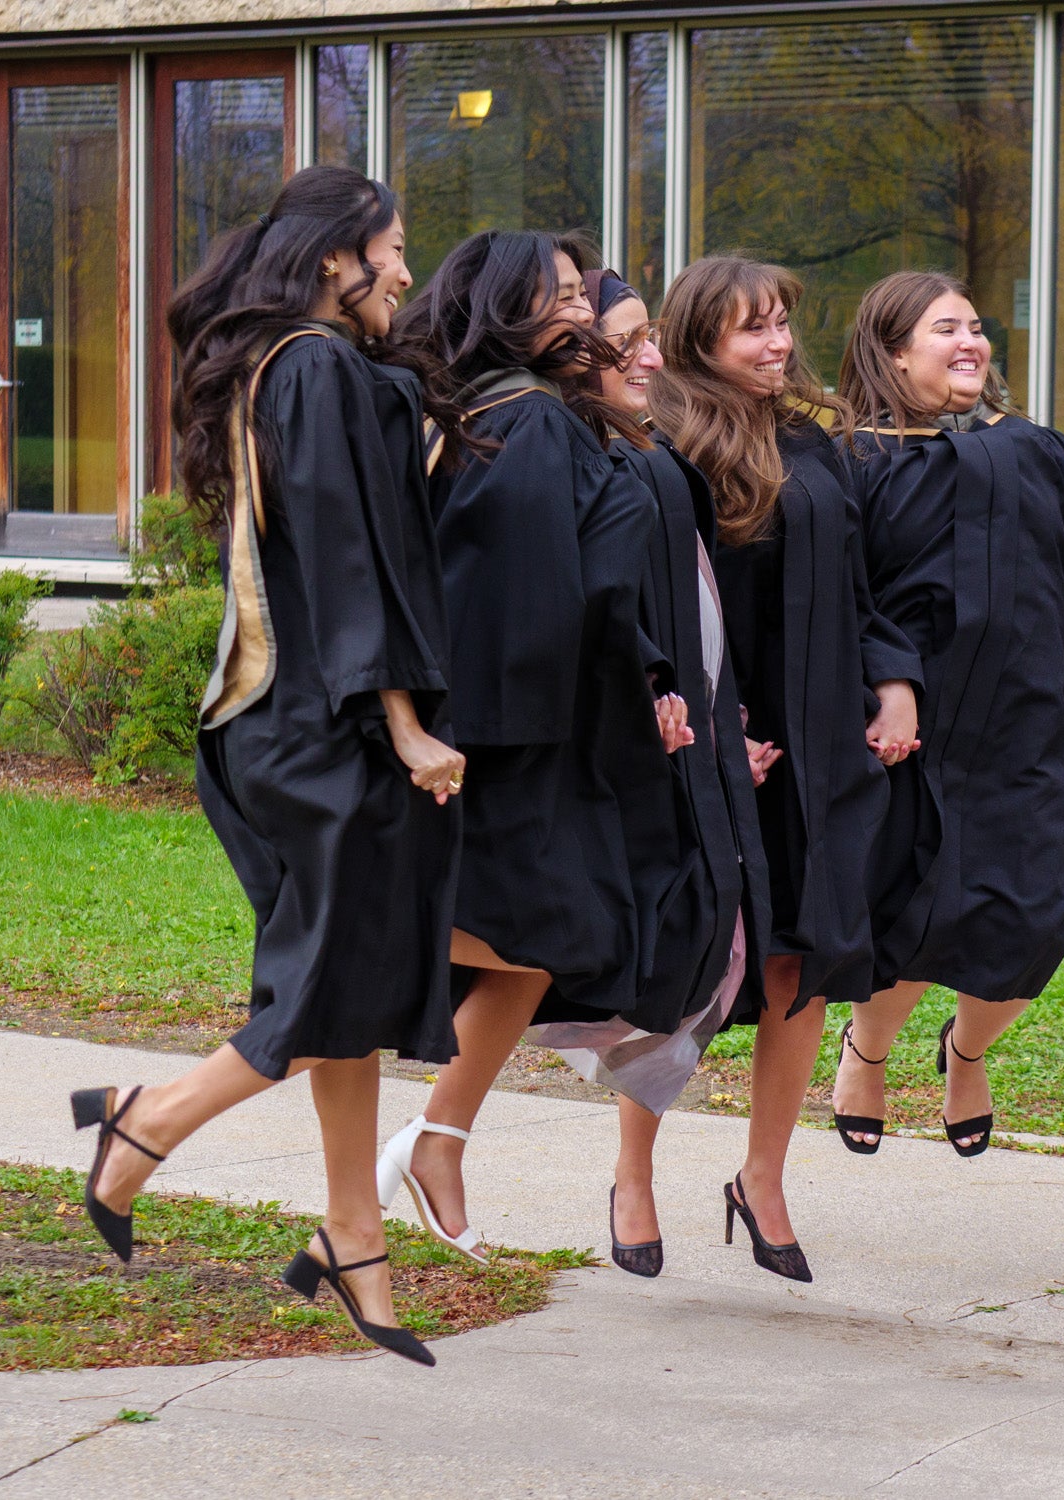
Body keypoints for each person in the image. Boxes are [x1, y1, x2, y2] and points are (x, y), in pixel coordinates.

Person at [68, 165, 463, 1367]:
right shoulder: (315, 367)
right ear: (337, 256)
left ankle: (352, 1235)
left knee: (351, 985)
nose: (405, 267)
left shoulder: (293, 364)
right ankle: (146, 1122)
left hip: (283, 711)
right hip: (319, 720)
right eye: (392, 248)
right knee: (333, 975)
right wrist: (400, 723)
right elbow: (353, 561)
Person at [373, 230, 682, 1264]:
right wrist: (617, 699)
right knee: (499, 938)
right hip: (519, 741)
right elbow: (535, 594)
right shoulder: (530, 425)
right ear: (505, 305)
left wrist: (643, 674)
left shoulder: (484, 415)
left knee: (528, 947)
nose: (583, 316)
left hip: (510, 728)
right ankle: (166, 1111)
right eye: (560, 296)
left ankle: (438, 1139)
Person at [833, 272, 1064, 1156]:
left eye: (976, 327)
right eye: (946, 329)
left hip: (1023, 728)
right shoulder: (856, 459)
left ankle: (965, 1050)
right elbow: (840, 599)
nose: (972, 342)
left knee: (1028, 931)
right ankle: (868, 1048)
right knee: (903, 922)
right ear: (894, 350)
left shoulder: (1039, 451)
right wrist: (881, 683)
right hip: (910, 736)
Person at [652, 255, 923, 1281]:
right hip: (729, 752)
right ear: (696, 341)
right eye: (747, 330)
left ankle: (760, 1178)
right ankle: (633, 1174)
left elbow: (865, 592)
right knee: (688, 977)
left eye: (778, 325)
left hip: (818, 749)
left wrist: (893, 685)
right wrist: (722, 733)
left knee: (799, 964)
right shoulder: (668, 444)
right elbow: (664, 614)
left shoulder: (812, 439)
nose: (774, 345)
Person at [555, 251, 771, 1277]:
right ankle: (629, 1175)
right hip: (633, 743)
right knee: (657, 951)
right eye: (624, 336)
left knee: (708, 954)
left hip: (705, 737)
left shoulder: (655, 451)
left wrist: (737, 722)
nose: (642, 353)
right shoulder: (582, 455)